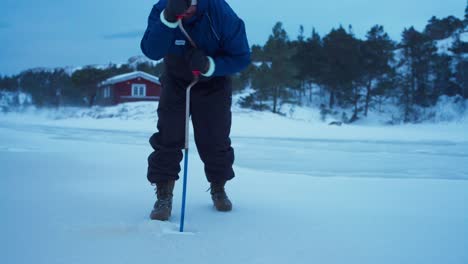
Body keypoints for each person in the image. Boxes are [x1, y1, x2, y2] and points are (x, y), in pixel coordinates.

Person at [140, 0, 250, 221]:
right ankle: (164, 195)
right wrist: (169, 18)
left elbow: (242, 57)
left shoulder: (221, 13)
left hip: (213, 82)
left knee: (215, 140)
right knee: (169, 135)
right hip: (176, 79)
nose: (186, 8)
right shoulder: (162, 9)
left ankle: (218, 187)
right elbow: (152, 50)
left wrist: (210, 65)